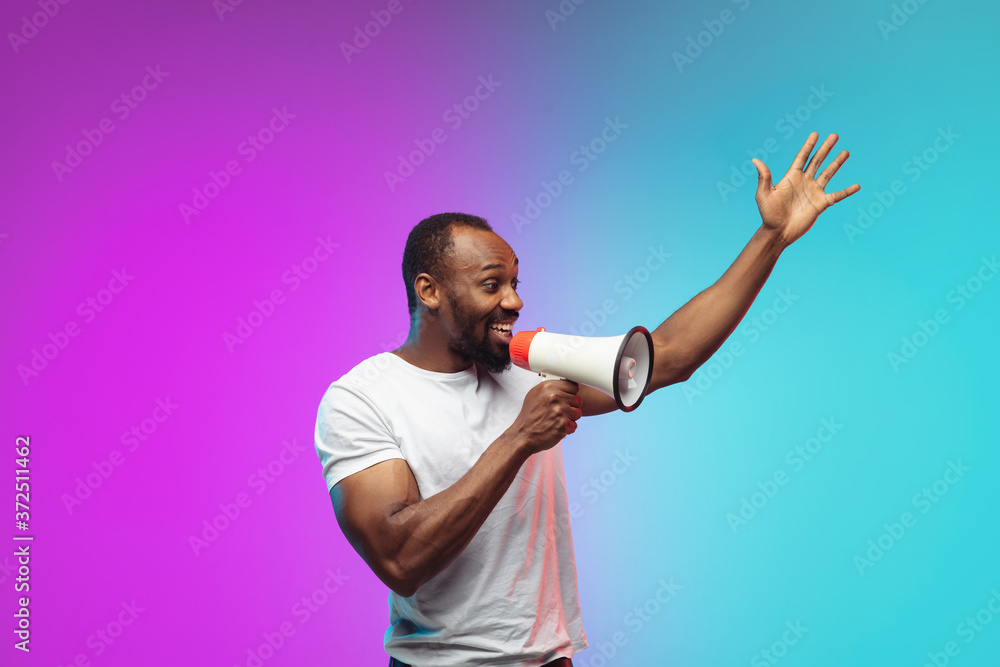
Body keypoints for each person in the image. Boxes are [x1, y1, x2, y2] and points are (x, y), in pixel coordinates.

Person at [314, 132, 860, 666]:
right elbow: (400, 559)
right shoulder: (363, 399)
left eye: (516, 283)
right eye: (492, 285)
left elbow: (670, 355)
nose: (514, 301)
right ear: (429, 290)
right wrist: (520, 437)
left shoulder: (526, 367)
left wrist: (771, 238)